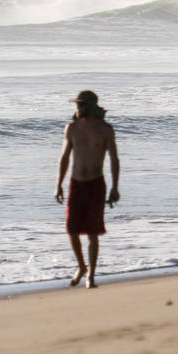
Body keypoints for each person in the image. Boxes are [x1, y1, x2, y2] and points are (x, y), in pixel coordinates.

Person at [55, 90, 120, 288]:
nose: (78, 107)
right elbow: (65, 158)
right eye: (77, 104)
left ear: (91, 106)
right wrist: (58, 184)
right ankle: (81, 266)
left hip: (95, 183)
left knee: (93, 232)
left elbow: (114, 158)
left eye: (81, 104)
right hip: (76, 183)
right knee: (72, 229)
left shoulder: (105, 129)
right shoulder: (72, 128)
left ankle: (91, 274)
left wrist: (115, 187)